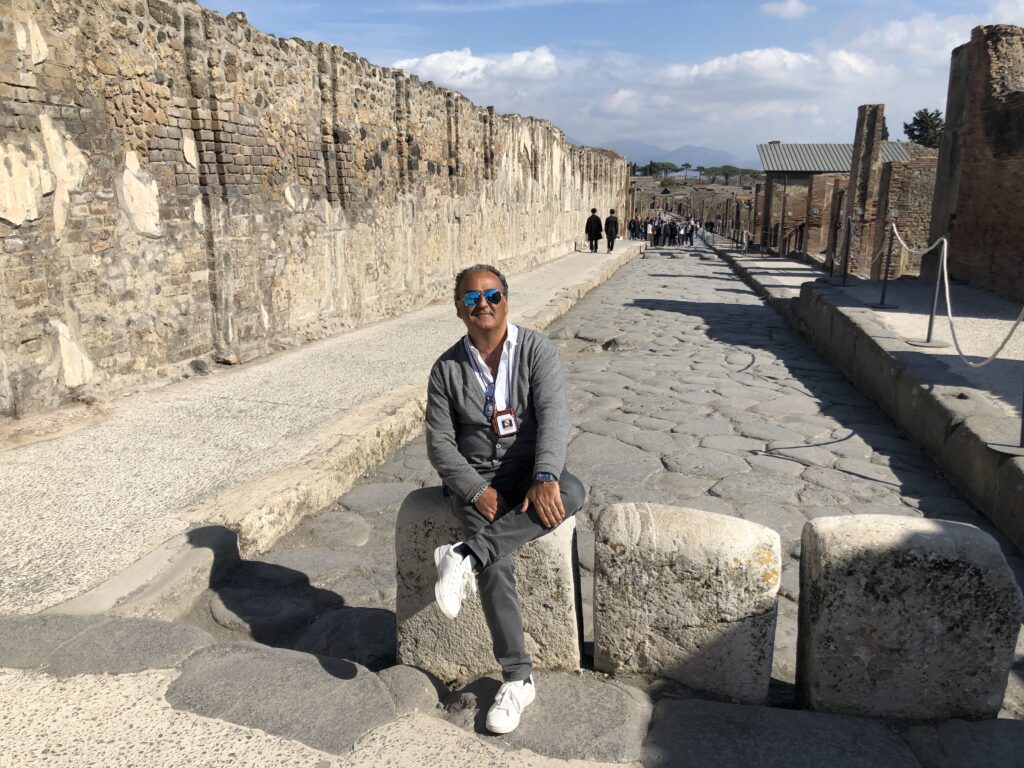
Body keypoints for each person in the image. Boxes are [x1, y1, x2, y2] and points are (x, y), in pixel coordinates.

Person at [426, 264, 586, 735]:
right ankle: (518, 677)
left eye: (491, 295)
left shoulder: (536, 350)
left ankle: (463, 557)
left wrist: (545, 475)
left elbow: (555, 415)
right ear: (459, 308)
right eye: (472, 299)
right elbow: (439, 443)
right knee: (498, 561)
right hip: (476, 483)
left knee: (572, 490)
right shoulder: (446, 369)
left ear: (506, 300)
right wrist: (476, 489)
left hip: (527, 473)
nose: (483, 305)